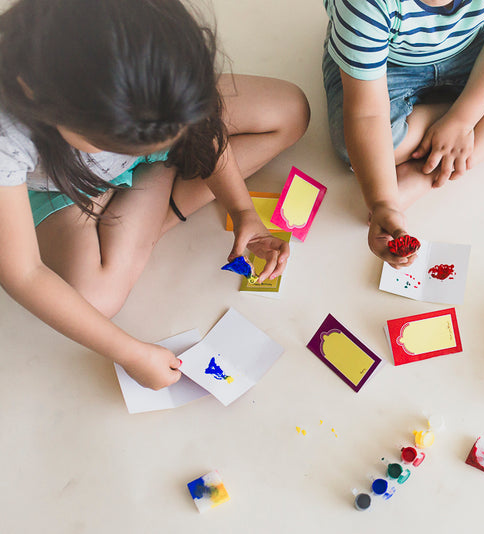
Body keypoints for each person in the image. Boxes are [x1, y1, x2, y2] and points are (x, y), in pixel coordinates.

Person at [0, 0, 310, 390]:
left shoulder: (150, 44)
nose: (145, 150)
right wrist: (130, 352)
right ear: (42, 97)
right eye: (111, 143)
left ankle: (150, 205)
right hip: (69, 189)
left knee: (290, 112)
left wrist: (242, 207)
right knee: (92, 301)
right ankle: (160, 196)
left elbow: (206, 127)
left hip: (149, 113)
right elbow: (24, 274)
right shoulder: (7, 134)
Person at [323, 0, 484, 268]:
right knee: (357, 147)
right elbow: (367, 115)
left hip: (473, 47)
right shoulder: (364, 5)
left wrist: (461, 121)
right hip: (387, 66)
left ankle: (427, 171)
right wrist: (383, 201)